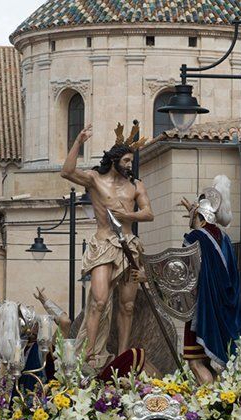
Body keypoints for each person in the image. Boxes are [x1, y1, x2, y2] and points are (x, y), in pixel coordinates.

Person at [60, 122, 154, 369]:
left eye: (130, 161)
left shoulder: (136, 185)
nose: (128, 165)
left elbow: (148, 213)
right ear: (113, 160)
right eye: (125, 160)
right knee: (98, 301)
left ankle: (122, 354)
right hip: (103, 244)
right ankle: (89, 353)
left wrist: (128, 217)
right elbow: (67, 171)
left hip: (128, 247)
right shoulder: (94, 179)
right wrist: (78, 142)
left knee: (128, 304)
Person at [179, 175, 241, 384]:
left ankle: (204, 406)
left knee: (195, 362)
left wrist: (148, 276)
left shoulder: (196, 238)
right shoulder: (225, 239)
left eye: (194, 217)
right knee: (207, 362)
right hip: (223, 312)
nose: (191, 222)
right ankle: (213, 400)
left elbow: (181, 271)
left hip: (201, 310)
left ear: (202, 218)